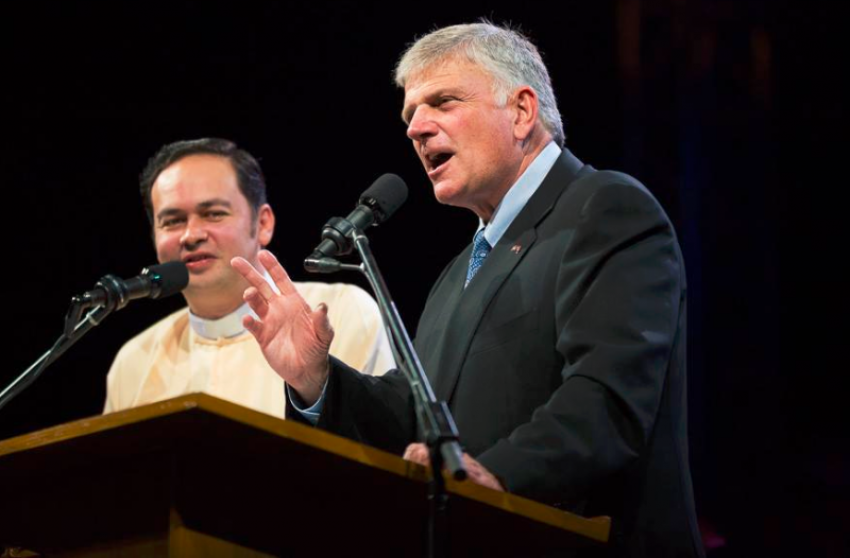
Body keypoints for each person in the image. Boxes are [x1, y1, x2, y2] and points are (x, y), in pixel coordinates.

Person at [232, 23, 703, 557]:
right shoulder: (458, 272)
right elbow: (417, 420)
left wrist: (495, 475)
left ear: (522, 111)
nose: (416, 130)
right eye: (410, 116)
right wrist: (317, 378)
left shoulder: (605, 207)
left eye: (443, 102)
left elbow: (607, 395)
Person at [103, 138, 394, 418]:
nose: (191, 235)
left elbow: (382, 446)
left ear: (263, 223)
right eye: (173, 221)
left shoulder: (340, 311)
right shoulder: (134, 361)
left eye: (214, 214)